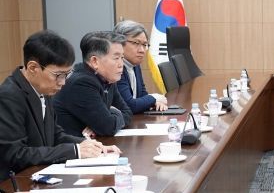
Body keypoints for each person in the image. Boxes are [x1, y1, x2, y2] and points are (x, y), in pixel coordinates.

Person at [0, 31, 116, 181]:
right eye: (58, 75)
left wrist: (89, 146)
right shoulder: (9, 96)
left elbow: (55, 135)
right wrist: (75, 151)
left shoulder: (43, 88)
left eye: (67, 74)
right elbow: (16, 154)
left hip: (40, 175)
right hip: (15, 184)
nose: (63, 82)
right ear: (33, 68)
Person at [54, 31, 133, 138]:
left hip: (94, 143)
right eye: (116, 58)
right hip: (73, 145)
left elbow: (128, 113)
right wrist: (114, 113)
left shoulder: (107, 78)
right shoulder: (81, 83)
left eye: (122, 58)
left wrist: (108, 116)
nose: (121, 64)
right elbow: (107, 127)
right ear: (95, 61)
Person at [114, 20, 168, 114]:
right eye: (136, 43)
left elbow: (142, 94)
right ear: (119, 43)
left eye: (144, 45)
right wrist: (154, 98)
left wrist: (154, 102)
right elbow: (129, 105)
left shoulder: (135, 64)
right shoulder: (115, 67)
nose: (142, 50)